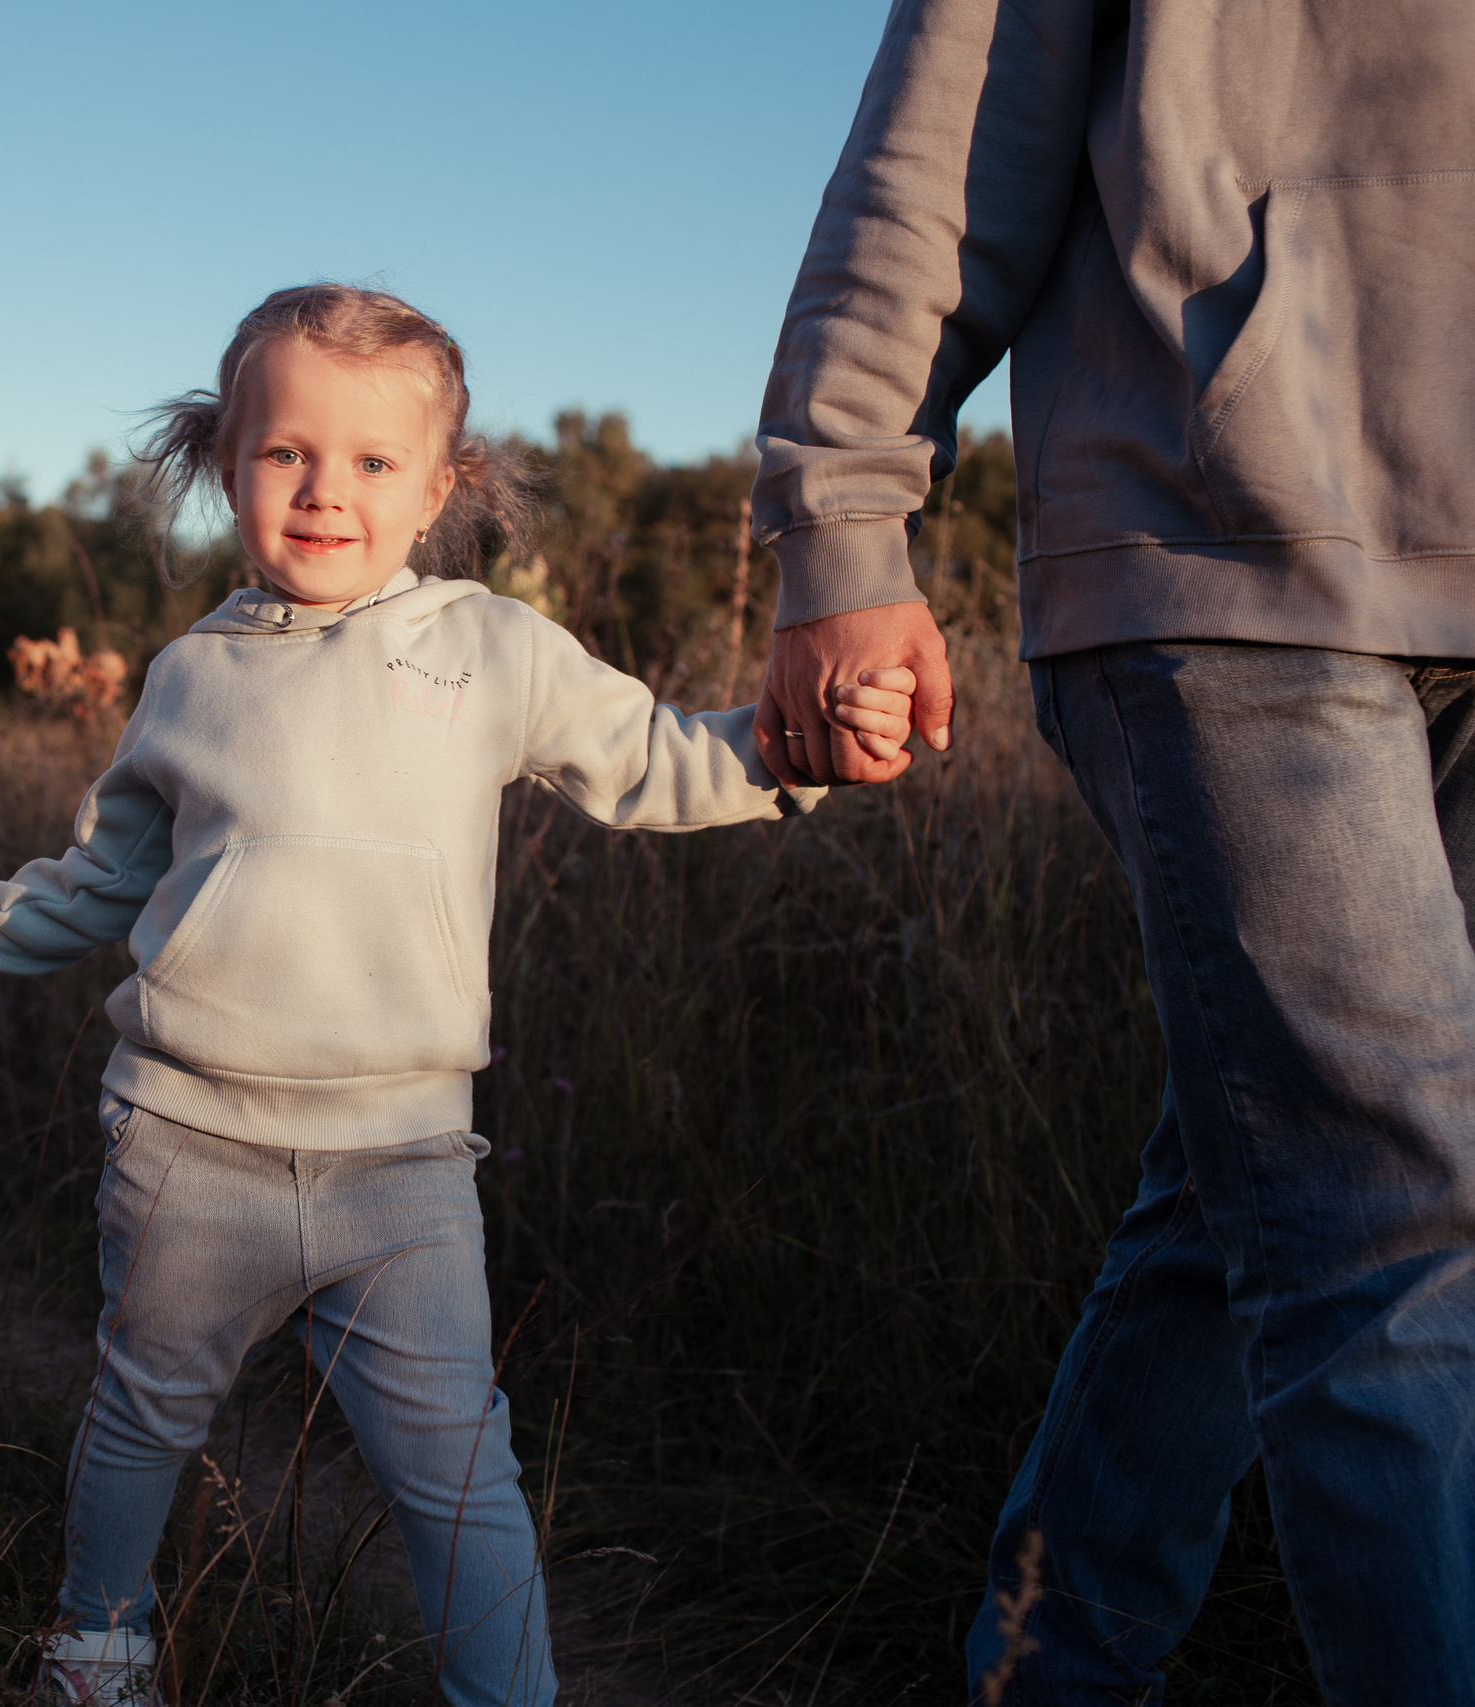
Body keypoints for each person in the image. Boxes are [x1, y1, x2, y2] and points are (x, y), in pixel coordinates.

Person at [0, 284, 917, 1707]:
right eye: (286, 454)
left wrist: (803, 748)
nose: (326, 491)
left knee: (459, 1463)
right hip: (187, 1141)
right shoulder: (188, 675)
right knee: (144, 1409)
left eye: (372, 461)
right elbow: (89, 891)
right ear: (228, 464)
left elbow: (659, 758)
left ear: (439, 487)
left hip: (402, 1163)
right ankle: (99, 1641)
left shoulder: (491, 645)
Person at [745, 3, 1475, 1700]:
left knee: (1266, 1190)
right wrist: (844, 513)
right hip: (1224, 543)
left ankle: (1040, 1665)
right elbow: (945, 141)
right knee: (1395, 1215)